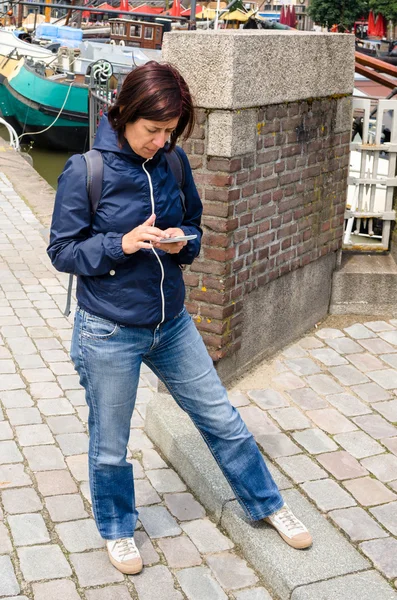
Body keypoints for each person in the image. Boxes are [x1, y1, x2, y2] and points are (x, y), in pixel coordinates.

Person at [47, 61, 312, 575]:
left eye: (170, 132)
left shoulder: (173, 161)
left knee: (220, 418)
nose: (161, 141)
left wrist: (181, 242)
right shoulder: (87, 170)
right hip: (108, 329)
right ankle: (118, 530)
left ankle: (268, 503)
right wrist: (118, 245)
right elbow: (62, 251)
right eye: (153, 130)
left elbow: (194, 224)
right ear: (125, 113)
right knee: (110, 442)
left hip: (171, 324)